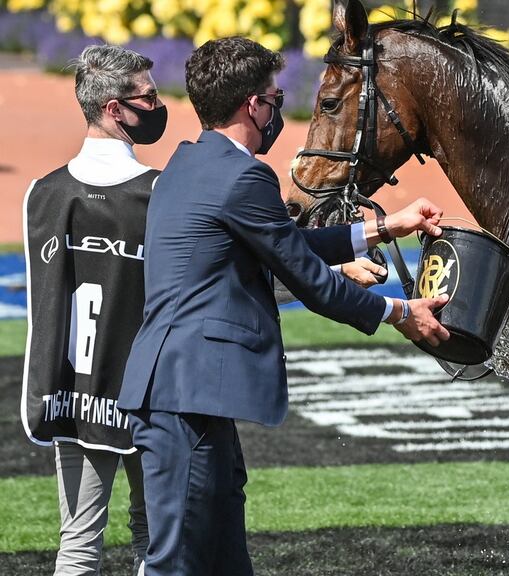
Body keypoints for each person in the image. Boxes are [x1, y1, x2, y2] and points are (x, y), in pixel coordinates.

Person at [117, 36, 450, 575]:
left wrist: (385, 225)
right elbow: (310, 279)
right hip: (186, 395)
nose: (276, 111)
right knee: (175, 564)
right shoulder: (244, 176)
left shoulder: (191, 163)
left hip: (189, 396)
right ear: (253, 104)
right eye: (273, 98)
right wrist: (400, 312)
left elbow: (286, 247)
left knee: (224, 563)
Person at [21, 44, 167, 575]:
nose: (157, 105)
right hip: (149, 396)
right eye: (148, 96)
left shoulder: (43, 193)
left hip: (73, 397)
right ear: (113, 109)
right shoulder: (159, 193)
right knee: (157, 541)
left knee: (78, 545)